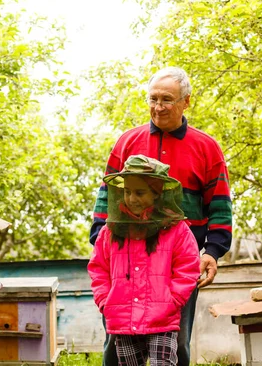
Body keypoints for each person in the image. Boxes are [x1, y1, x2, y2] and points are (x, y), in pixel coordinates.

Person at [90, 66, 233, 366]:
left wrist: (213, 250)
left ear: (186, 102)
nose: (158, 107)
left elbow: (219, 203)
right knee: (115, 339)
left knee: (176, 340)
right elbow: (108, 195)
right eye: (153, 99)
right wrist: (100, 239)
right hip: (125, 258)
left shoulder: (207, 147)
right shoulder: (127, 142)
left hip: (179, 259)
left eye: (166, 99)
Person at [88, 154, 199, 366]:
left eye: (140, 192)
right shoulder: (109, 231)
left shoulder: (177, 230)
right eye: (127, 191)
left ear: (156, 193)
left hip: (162, 319)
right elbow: (98, 268)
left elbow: (188, 268)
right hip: (122, 318)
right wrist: (105, 300)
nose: (131, 198)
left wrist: (172, 300)